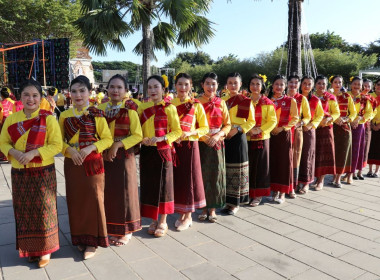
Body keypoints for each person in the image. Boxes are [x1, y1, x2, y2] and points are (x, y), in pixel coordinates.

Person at [0, 79, 62, 268]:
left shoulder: (49, 118)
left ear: (40, 98)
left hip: (43, 171)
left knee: (45, 210)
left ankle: (46, 250)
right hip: (20, 172)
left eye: (35, 95)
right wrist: (14, 152)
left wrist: (35, 153)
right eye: (26, 95)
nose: (30, 99)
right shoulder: (12, 119)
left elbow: (56, 145)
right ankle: (30, 248)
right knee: (24, 211)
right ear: (20, 97)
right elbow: (3, 142)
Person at [59, 75, 113, 259]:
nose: (78, 95)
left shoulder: (96, 114)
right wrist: (69, 151)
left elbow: (107, 139)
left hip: (92, 163)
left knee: (94, 200)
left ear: (90, 92)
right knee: (75, 201)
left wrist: (91, 146)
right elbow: (59, 141)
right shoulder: (64, 115)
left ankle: (93, 241)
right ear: (69, 94)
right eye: (74, 91)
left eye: (82, 91)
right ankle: (80, 238)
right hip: (72, 163)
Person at [98, 74, 143, 246]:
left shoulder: (130, 110)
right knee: (109, 192)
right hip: (104, 156)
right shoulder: (100, 109)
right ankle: (111, 227)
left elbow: (137, 135)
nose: (115, 90)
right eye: (112, 87)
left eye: (119, 87)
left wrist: (117, 146)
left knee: (125, 191)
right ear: (107, 89)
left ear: (125, 91)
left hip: (124, 156)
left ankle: (126, 230)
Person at [138, 75, 182, 237]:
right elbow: (137, 130)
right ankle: (153, 219)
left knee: (164, 187)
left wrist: (162, 138)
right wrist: (142, 138)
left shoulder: (170, 108)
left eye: (156, 87)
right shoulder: (142, 108)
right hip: (147, 152)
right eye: (149, 87)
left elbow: (177, 131)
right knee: (150, 186)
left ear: (163, 89)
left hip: (163, 152)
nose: (152, 90)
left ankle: (163, 221)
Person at [171, 73, 209, 231]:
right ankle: (180, 212)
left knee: (190, 181)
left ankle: (187, 216)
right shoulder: (169, 104)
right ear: (175, 86)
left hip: (189, 146)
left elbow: (204, 127)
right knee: (177, 180)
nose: (183, 88)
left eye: (186, 84)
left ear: (191, 86)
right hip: (173, 146)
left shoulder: (196, 104)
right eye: (180, 84)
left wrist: (190, 133)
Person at [197, 72, 231, 222]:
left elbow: (228, 124)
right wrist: (205, 138)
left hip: (217, 143)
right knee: (202, 175)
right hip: (200, 143)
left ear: (218, 86)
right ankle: (203, 207)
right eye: (207, 83)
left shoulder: (221, 103)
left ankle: (213, 209)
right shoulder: (196, 102)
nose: (210, 87)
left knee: (217, 175)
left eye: (213, 84)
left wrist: (217, 136)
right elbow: (193, 124)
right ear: (202, 85)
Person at [222, 72, 255, 214]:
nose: (233, 85)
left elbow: (251, 121)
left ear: (240, 84)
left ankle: (235, 204)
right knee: (226, 169)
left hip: (238, 137)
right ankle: (227, 201)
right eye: (230, 83)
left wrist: (239, 129)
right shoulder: (222, 100)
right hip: (225, 137)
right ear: (226, 85)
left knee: (238, 170)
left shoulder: (246, 101)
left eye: (236, 83)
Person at [246, 74, 277, 206]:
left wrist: (259, 130)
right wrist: (247, 129)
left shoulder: (268, 103)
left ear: (262, 86)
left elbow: (272, 121)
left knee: (261, 167)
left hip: (262, 138)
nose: (255, 86)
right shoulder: (245, 101)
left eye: (258, 84)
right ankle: (247, 193)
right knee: (248, 166)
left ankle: (258, 195)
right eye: (252, 84)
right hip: (247, 137)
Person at [268, 75, 299, 204]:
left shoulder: (290, 101)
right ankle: (274, 190)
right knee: (273, 163)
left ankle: (282, 192)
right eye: (276, 84)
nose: (279, 87)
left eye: (282, 84)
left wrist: (283, 128)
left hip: (284, 134)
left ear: (285, 86)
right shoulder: (268, 100)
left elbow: (295, 118)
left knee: (284, 163)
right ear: (272, 86)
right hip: (270, 134)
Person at [313, 75, 340, 191]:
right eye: (319, 83)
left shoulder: (331, 97)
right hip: (313, 127)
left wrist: (329, 119)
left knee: (324, 155)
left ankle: (321, 180)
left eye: (323, 84)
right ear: (315, 85)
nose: (321, 86)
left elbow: (336, 113)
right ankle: (313, 178)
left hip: (326, 128)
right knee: (314, 153)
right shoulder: (311, 97)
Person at [297, 76, 324, 193]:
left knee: (308, 156)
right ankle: (296, 181)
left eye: (309, 84)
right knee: (297, 156)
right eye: (304, 83)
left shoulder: (315, 100)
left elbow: (319, 115)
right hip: (296, 131)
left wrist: (312, 124)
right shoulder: (295, 98)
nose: (306, 86)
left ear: (312, 86)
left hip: (308, 130)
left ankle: (306, 183)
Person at [286, 75, 311, 197]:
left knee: (295, 157)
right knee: (283, 158)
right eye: (291, 82)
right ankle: (281, 187)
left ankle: (292, 187)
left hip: (296, 131)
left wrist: (300, 123)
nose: (293, 85)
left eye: (296, 82)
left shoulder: (302, 99)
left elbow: (307, 116)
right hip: (283, 132)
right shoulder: (282, 98)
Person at [330, 75, 357, 187]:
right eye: (335, 82)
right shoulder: (328, 96)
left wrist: (346, 119)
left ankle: (338, 178)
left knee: (343, 153)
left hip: (344, 128)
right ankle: (331, 175)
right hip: (331, 127)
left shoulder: (347, 96)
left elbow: (353, 113)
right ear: (331, 84)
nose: (337, 84)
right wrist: (334, 119)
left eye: (339, 82)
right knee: (332, 153)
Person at [344, 77, 373, 182]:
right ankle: (343, 172)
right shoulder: (345, 96)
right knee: (345, 149)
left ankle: (351, 173)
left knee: (356, 150)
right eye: (355, 84)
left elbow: (369, 112)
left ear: (362, 86)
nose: (356, 86)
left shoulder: (365, 98)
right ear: (351, 84)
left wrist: (359, 118)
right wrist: (349, 120)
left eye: (359, 84)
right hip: (345, 124)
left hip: (358, 126)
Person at [367, 78, 380, 177]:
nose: (379, 86)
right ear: (375, 86)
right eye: (378, 84)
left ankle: (376, 171)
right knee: (370, 147)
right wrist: (371, 124)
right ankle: (370, 170)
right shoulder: (370, 96)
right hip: (370, 124)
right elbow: (366, 110)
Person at [0, 87, 15, 161]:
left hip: (3, 123)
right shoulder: (14, 102)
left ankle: (4, 156)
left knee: (4, 140)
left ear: (1, 95)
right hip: (13, 123)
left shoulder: (1, 103)